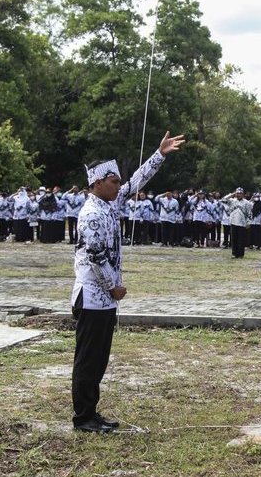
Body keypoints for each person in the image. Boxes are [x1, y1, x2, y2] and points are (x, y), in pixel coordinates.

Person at [71, 131, 184, 434]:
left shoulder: (109, 203)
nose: (120, 186)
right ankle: (83, 417)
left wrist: (159, 154)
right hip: (94, 295)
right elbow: (95, 257)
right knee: (88, 359)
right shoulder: (93, 214)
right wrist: (112, 286)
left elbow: (137, 181)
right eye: (114, 181)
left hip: (105, 298)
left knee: (99, 360)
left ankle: (91, 412)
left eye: (118, 182)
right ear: (97, 183)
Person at [221, 188, 253, 259]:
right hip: (233, 222)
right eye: (237, 193)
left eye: (240, 193)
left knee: (241, 240)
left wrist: (248, 223)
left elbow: (249, 214)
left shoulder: (247, 203)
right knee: (233, 239)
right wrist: (232, 194)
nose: (239, 195)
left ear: (243, 194)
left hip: (242, 223)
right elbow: (223, 200)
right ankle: (234, 254)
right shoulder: (232, 201)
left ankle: (241, 254)